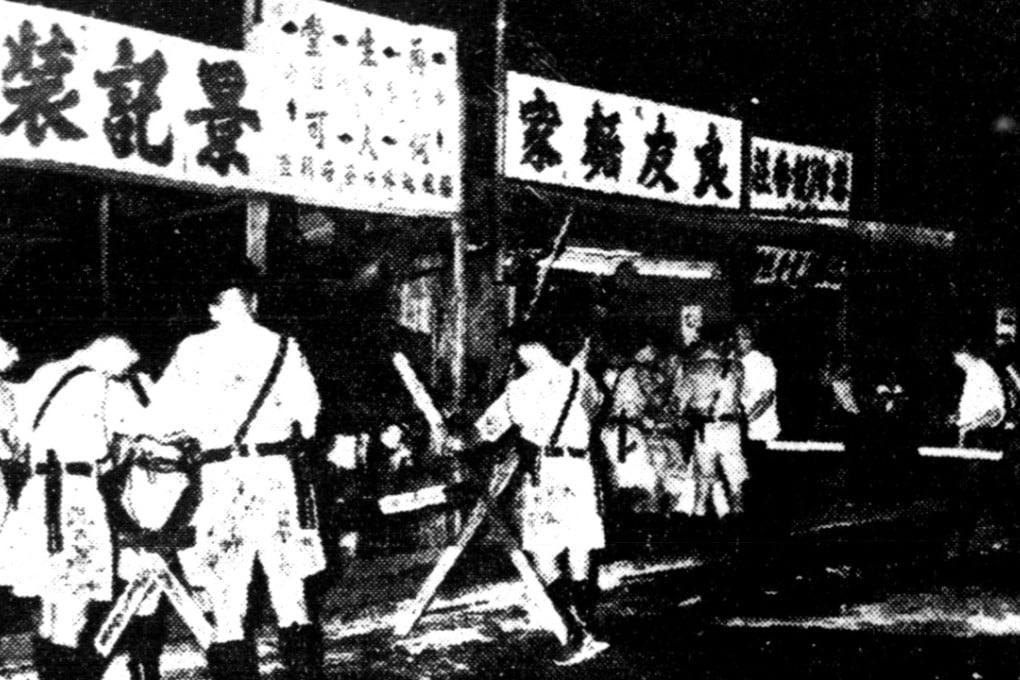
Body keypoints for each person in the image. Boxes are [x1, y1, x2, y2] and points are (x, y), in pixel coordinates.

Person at [143, 261, 326, 680]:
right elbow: (310, 419)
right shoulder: (285, 346)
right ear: (254, 302)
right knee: (289, 585)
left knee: (227, 590)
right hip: (279, 476)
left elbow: (162, 422)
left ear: (213, 309)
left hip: (222, 477)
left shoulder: (193, 349)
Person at [449, 323, 609, 665]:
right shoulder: (582, 379)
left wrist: (454, 440)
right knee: (580, 546)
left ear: (529, 348)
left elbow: (483, 433)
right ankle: (588, 625)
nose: (517, 357)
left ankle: (575, 633)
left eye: (518, 350)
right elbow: (594, 412)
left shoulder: (520, 388)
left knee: (543, 553)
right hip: (581, 470)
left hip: (547, 474)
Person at [0, 335, 141, 680]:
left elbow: (14, 434)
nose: (124, 375)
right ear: (111, 357)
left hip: (36, 495)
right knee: (74, 602)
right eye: (124, 368)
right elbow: (141, 424)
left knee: (49, 604)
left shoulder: (45, 374)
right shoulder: (98, 380)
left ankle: (49, 672)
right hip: (75, 494)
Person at [674, 329, 747, 517]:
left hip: (705, 430)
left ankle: (698, 530)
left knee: (703, 483)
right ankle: (738, 533)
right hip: (730, 428)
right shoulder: (736, 367)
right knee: (736, 483)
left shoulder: (690, 369)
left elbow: (681, 405)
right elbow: (737, 396)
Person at [946, 341, 1006, 560]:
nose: (954, 362)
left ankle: (962, 546)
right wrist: (960, 419)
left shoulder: (983, 373)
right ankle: (963, 544)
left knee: (973, 493)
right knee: (974, 493)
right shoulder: (972, 374)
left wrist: (971, 426)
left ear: (964, 353)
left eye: (955, 357)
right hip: (970, 439)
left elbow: (995, 411)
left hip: (980, 441)